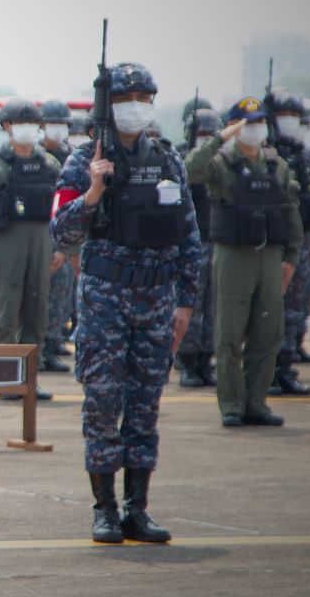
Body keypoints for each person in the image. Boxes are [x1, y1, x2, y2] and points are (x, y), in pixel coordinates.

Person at [50, 62, 200, 544]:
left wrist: (186, 302)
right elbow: (61, 232)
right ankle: (105, 509)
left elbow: (189, 235)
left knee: (145, 406)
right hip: (105, 300)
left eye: (143, 97)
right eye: (124, 98)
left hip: (155, 299)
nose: (135, 106)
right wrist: (93, 191)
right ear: (107, 105)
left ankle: (138, 508)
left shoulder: (168, 160)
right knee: (101, 404)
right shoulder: (82, 160)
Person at [187, 98, 303, 428]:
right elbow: (191, 170)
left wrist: (292, 258)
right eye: (248, 123)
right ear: (234, 126)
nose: (255, 129)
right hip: (234, 256)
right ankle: (232, 404)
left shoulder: (276, 164)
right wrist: (220, 138)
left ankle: (256, 403)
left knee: (267, 335)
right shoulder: (221, 162)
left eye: (259, 122)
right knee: (229, 335)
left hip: (270, 257)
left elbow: (291, 212)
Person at [0, 98, 63, 401]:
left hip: (42, 243)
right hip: (6, 243)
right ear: (7, 127)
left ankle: (29, 380)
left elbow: (62, 210)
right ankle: (6, 379)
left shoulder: (51, 164)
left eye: (33, 123)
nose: (27, 128)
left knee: (37, 312)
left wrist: (62, 248)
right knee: (5, 313)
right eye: (21, 123)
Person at [266, 90, 310, 398]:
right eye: (283, 115)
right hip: (274, 244)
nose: (289, 121)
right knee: (271, 310)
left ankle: (285, 367)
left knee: (295, 309)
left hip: (303, 242)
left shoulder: (306, 155)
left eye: (294, 116)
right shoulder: (266, 155)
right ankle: (269, 371)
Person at [174, 100, 220, 388]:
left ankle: (205, 360)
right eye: (202, 133)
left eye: (212, 134)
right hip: (192, 243)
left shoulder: (223, 162)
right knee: (191, 304)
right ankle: (188, 361)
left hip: (218, 242)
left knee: (213, 308)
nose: (207, 139)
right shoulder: (181, 158)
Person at [38, 99, 78, 372]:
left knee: (61, 294)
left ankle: (51, 347)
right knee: (35, 295)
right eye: (52, 123)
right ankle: (35, 349)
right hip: (37, 232)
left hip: (65, 234)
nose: (57, 128)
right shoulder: (33, 156)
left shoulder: (74, 157)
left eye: (62, 123)